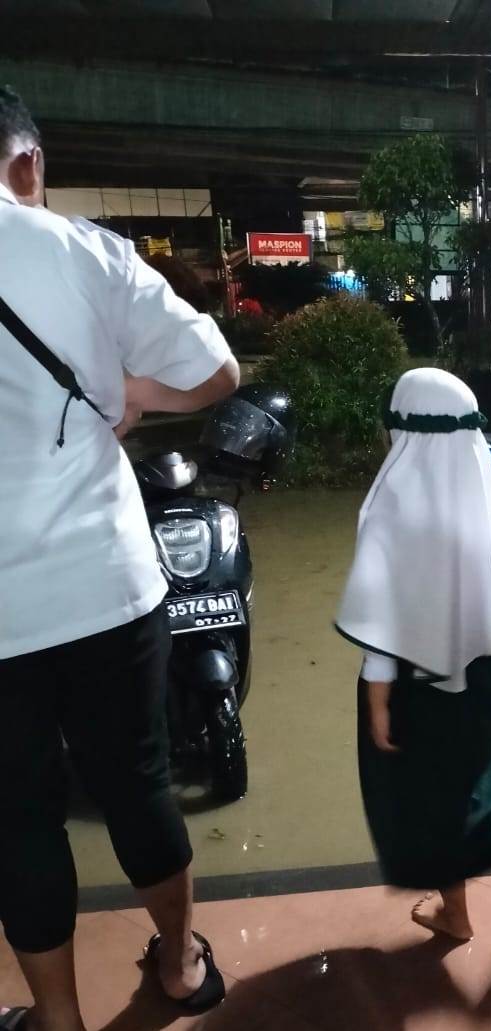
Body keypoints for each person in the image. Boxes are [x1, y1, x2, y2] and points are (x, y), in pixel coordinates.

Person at [0, 87, 239, 1031]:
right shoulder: (78, 249)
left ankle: (58, 1021)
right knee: (139, 780)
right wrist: (125, 393)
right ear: (25, 165)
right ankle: (179, 967)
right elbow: (216, 370)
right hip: (106, 586)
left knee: (16, 819)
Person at [336, 367, 491, 942]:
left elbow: (383, 622)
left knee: (429, 801)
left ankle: (455, 915)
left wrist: (378, 704)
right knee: (476, 776)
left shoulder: (392, 507)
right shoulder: (481, 497)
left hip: (414, 686)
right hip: (481, 673)